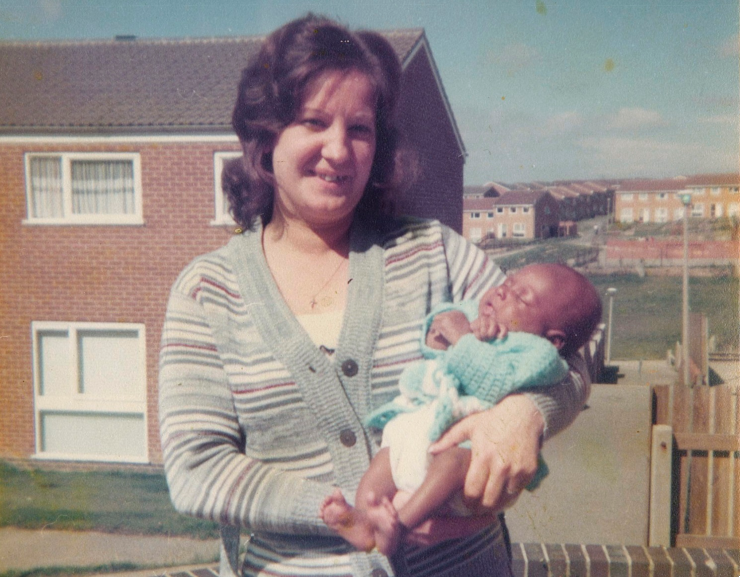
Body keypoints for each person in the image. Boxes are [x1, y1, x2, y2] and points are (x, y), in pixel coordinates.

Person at [158, 14, 591, 577]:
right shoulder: (207, 292)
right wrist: (345, 514)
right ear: (266, 138)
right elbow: (198, 469)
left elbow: (573, 354)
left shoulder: (433, 251)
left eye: (359, 129)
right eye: (313, 122)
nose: (338, 151)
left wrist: (524, 414)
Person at [319, 264, 602, 556]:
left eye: (522, 298)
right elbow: (437, 336)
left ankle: (399, 527)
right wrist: (446, 329)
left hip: (461, 450)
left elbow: (495, 383)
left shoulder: (537, 353)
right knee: (382, 464)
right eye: (508, 282)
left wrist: (464, 339)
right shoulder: (478, 314)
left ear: (554, 340)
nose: (503, 291)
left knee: (453, 461)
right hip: (418, 431)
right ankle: (364, 523)